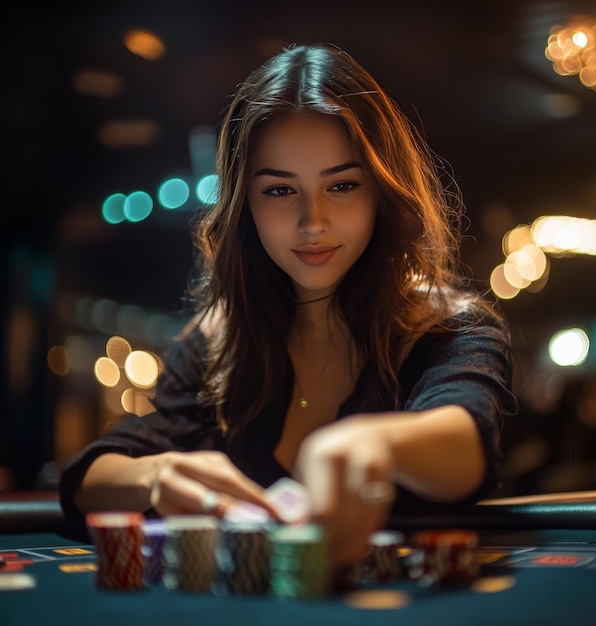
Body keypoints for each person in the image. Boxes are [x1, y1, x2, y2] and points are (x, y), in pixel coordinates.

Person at [59, 43, 518, 569]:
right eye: (279, 191)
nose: (313, 222)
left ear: (382, 192)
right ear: (243, 207)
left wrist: (366, 447)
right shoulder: (215, 344)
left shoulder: (449, 329)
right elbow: (90, 476)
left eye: (342, 185)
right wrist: (154, 477)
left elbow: (468, 441)